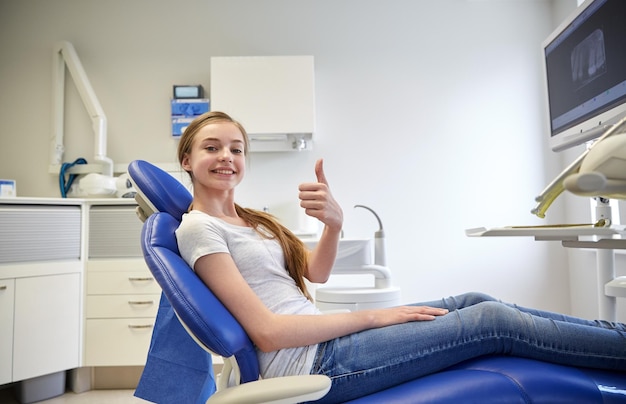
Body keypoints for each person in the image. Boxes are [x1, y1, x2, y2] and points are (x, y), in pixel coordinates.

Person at [175, 111, 626, 403]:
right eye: (212, 147)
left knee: (472, 299)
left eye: (236, 148)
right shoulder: (199, 227)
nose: (227, 157)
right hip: (312, 362)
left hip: (323, 346)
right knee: (492, 322)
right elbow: (269, 333)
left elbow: (317, 272)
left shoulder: (253, 221)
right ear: (187, 159)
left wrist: (334, 223)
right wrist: (376, 317)